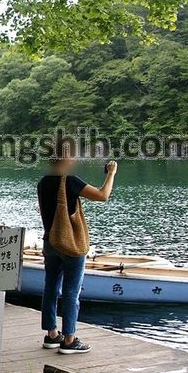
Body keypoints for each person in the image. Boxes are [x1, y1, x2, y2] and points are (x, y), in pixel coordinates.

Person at [37, 151, 117, 355]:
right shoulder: (70, 180)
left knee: (51, 288)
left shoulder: (43, 182)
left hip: (50, 242)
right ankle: (70, 339)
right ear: (65, 160)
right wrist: (111, 174)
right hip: (70, 244)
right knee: (71, 291)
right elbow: (102, 195)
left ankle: (52, 335)